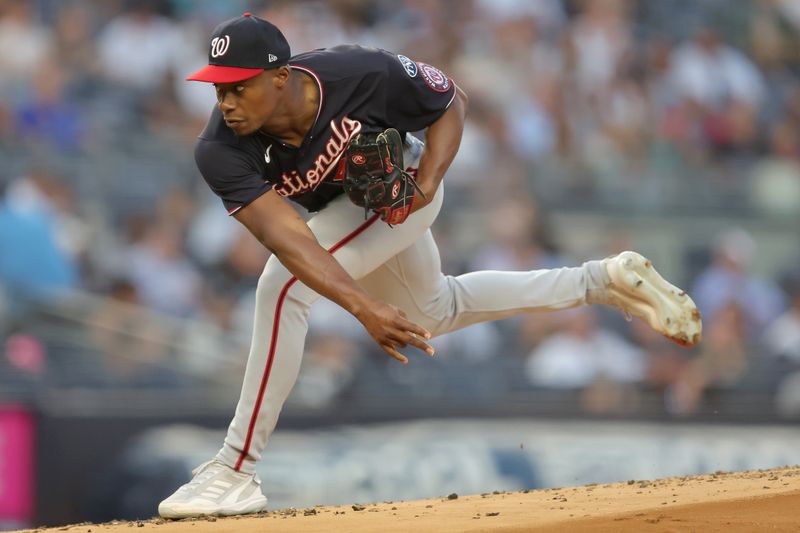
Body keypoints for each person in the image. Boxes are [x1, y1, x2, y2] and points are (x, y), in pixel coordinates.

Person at [158, 13, 702, 518]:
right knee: (436, 309)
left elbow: (449, 99)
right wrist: (364, 305)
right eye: (218, 87)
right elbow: (289, 238)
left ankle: (235, 468)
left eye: (238, 85)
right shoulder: (219, 149)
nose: (224, 100)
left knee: (280, 290)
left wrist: (428, 183)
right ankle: (599, 280)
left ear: (279, 77)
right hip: (342, 213)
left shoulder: (356, 71)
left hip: (405, 191)